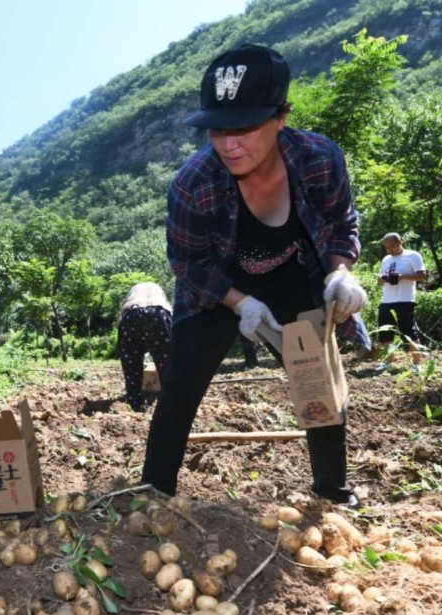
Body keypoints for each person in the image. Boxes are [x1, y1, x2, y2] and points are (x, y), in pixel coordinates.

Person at [141, 44, 367, 507]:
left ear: (281, 117)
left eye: (244, 127)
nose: (229, 144)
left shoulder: (320, 159)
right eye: (217, 130)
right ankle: (152, 492)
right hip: (217, 288)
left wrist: (341, 275)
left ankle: (332, 491)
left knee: (316, 379)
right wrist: (240, 303)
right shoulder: (193, 184)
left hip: (292, 275)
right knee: (181, 385)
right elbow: (188, 264)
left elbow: (342, 223)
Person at [116, 282, 172, 412]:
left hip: (132, 314)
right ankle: (170, 402)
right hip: (159, 313)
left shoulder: (132, 293)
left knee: (132, 363)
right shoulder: (159, 291)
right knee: (166, 362)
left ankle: (136, 403)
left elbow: (121, 317)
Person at [374, 232, 426, 368]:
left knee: (409, 331)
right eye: (387, 248)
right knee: (385, 332)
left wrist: (402, 276)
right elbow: (379, 280)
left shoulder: (413, 255)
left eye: (392, 246)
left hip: (405, 300)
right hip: (386, 300)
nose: (390, 250)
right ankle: (388, 362)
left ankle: (417, 363)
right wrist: (384, 278)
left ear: (400, 242)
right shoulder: (386, 259)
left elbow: (422, 276)